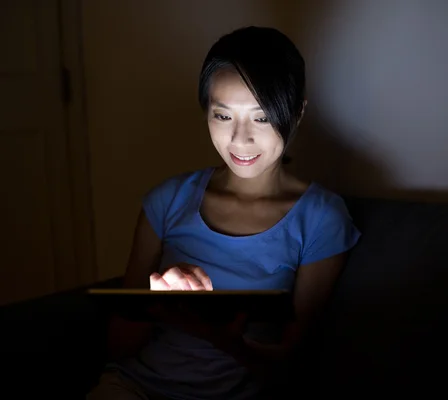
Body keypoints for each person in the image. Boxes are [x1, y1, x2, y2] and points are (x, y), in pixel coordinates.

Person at [87, 26, 361, 400]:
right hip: (135, 388)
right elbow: (118, 346)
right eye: (223, 116)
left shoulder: (321, 218)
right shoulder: (168, 200)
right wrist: (157, 301)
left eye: (261, 118)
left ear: (297, 112)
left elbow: (289, 366)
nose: (240, 139)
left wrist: (218, 334)